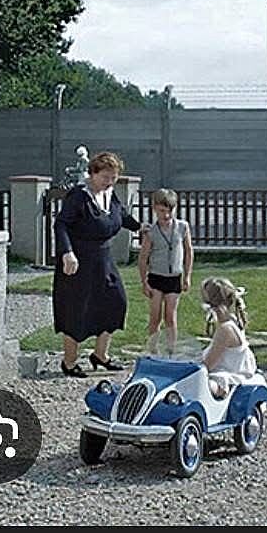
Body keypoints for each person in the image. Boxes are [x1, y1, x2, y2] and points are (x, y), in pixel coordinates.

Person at [52, 151, 142, 377]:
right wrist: (67, 253)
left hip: (104, 260)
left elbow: (121, 215)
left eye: (113, 178)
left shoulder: (109, 194)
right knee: (76, 310)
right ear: (92, 173)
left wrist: (141, 227)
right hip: (78, 262)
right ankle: (69, 362)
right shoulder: (79, 196)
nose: (109, 182)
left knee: (116, 302)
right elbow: (61, 224)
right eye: (105, 177)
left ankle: (100, 355)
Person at [138, 188, 194, 356]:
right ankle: (153, 349)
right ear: (155, 209)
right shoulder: (151, 232)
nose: (166, 215)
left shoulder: (182, 227)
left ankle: (171, 350)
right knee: (155, 317)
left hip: (174, 277)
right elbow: (143, 258)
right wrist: (144, 282)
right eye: (162, 211)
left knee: (170, 316)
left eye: (170, 211)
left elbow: (188, 251)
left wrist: (187, 276)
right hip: (156, 277)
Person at [200, 277, 257, 399]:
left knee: (196, 384)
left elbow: (208, 365)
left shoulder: (226, 330)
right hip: (228, 371)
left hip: (226, 377)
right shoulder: (232, 320)